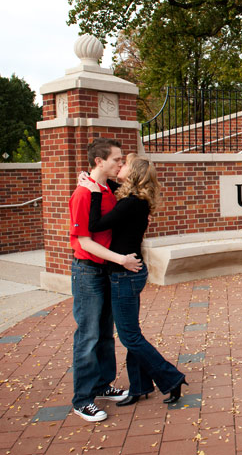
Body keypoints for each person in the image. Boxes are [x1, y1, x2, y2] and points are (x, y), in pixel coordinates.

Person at [81, 153, 187, 406]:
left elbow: (95, 225)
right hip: (130, 273)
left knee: (130, 337)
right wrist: (94, 180)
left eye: (125, 164)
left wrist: (92, 191)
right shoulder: (136, 199)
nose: (120, 166)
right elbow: (114, 185)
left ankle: (171, 378)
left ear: (134, 173)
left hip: (124, 276)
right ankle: (139, 386)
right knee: (133, 334)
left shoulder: (130, 203)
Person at [69, 138, 140, 422]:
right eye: (117, 160)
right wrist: (120, 259)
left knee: (104, 333)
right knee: (88, 336)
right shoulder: (83, 194)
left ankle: (101, 386)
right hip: (88, 270)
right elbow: (84, 241)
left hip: (106, 270)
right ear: (99, 161)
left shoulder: (106, 188)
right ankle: (82, 399)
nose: (121, 164)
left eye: (122, 160)